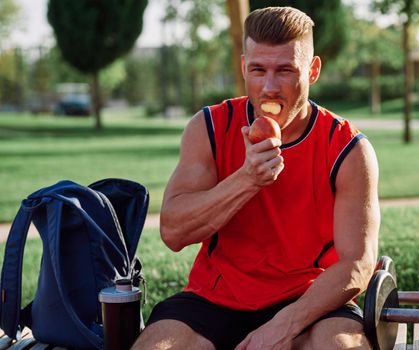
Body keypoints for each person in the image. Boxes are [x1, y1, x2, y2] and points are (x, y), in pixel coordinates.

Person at [132, 6, 380, 350]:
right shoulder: (209, 128)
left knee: (341, 346)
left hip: (310, 300)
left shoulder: (348, 149)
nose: (269, 87)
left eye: (286, 70)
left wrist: (283, 325)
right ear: (243, 66)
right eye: (258, 70)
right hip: (214, 298)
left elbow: (358, 263)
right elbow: (174, 232)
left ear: (313, 70)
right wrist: (247, 179)